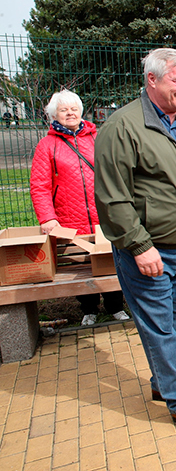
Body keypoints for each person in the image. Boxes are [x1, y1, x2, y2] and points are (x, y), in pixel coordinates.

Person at [94, 48, 176, 432]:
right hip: (149, 252)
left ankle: (161, 380)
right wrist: (139, 246)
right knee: (160, 327)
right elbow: (112, 197)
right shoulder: (122, 127)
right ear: (152, 80)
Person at [30, 90, 128, 327]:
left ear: (81, 111)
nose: (70, 113)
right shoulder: (47, 145)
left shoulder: (98, 138)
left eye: (74, 108)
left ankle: (116, 307)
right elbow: (40, 185)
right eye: (63, 110)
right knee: (80, 264)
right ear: (55, 115)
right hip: (69, 217)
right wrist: (47, 218)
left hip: (102, 214)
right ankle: (89, 309)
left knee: (110, 260)